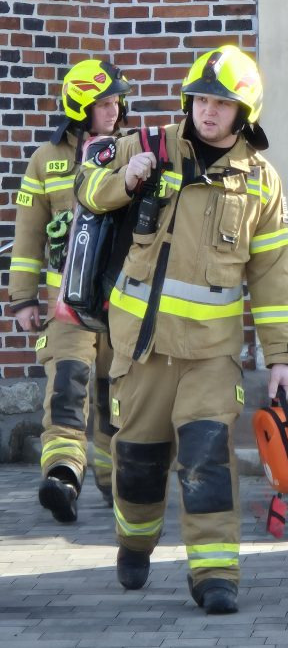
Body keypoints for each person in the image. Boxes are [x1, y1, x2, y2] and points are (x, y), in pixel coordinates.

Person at [75, 44, 288, 615]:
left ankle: (215, 572)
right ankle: (135, 541)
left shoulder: (261, 183)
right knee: (140, 463)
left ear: (243, 112)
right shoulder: (147, 147)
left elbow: (273, 275)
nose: (207, 111)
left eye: (221, 103)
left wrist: (280, 358)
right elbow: (86, 190)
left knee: (206, 457)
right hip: (143, 348)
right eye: (200, 99)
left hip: (211, 357)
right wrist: (124, 179)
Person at [7, 59, 133, 523]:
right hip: (68, 306)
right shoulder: (46, 160)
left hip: (121, 305)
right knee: (67, 388)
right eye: (104, 103)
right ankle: (63, 476)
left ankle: (115, 483)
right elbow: (28, 237)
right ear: (80, 108)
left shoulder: (130, 151)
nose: (114, 110)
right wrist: (22, 299)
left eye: (117, 101)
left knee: (113, 397)